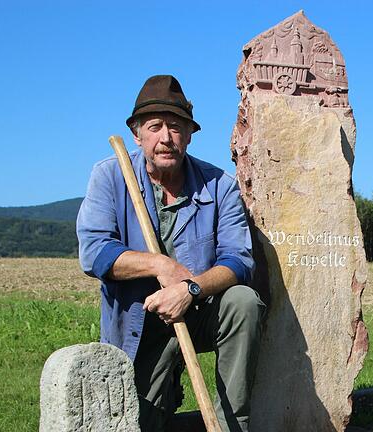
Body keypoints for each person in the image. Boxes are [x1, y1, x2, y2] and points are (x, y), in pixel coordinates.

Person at [77, 75, 265, 432]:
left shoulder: (219, 185)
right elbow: (95, 253)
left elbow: (239, 261)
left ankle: (231, 426)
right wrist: (159, 264)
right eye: (155, 126)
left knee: (243, 301)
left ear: (190, 135)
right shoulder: (109, 176)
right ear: (137, 134)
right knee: (142, 422)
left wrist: (189, 289)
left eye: (176, 127)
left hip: (200, 310)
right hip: (139, 323)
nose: (166, 137)